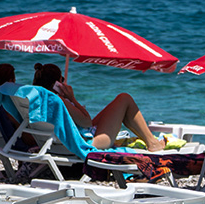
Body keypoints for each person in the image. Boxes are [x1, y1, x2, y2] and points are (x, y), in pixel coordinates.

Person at [31, 62, 165, 152]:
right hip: (86, 143)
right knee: (124, 98)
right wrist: (72, 98)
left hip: (58, 143)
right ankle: (152, 143)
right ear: (57, 84)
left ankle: (148, 139)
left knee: (118, 107)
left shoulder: (37, 99)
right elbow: (86, 121)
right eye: (62, 80)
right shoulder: (58, 101)